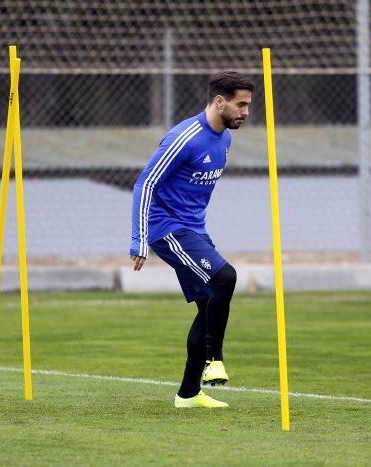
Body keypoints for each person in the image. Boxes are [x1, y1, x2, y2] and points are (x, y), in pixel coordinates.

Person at [129, 71, 254, 408]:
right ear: (219, 101)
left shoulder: (225, 139)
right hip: (166, 229)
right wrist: (139, 240)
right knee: (225, 278)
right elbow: (145, 184)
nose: (245, 112)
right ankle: (215, 360)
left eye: (248, 105)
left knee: (209, 305)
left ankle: (188, 393)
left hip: (193, 230)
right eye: (240, 105)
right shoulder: (184, 138)